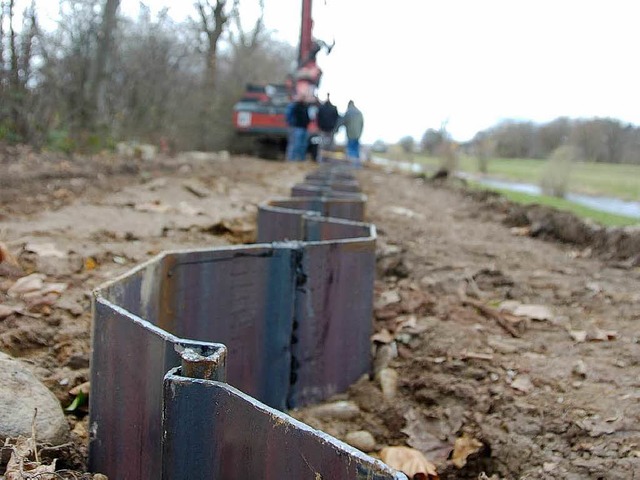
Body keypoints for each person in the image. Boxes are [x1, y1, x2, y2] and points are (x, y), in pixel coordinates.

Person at [339, 100, 364, 165]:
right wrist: (360, 133)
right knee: (356, 150)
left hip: (350, 134)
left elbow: (342, 122)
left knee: (351, 150)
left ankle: (352, 165)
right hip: (358, 134)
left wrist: (335, 130)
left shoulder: (348, 112)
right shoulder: (359, 113)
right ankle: (357, 165)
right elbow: (362, 124)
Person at [286, 96, 310, 161]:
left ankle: (300, 159)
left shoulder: (305, 107)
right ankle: (291, 159)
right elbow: (289, 116)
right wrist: (292, 123)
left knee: (303, 145)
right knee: (295, 144)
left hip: (304, 127)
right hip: (296, 127)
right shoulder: (294, 106)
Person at [316, 93, 340, 161]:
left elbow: (318, 118)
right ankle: (326, 159)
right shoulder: (332, 108)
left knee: (325, 145)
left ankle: (325, 159)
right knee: (326, 145)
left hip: (327, 129)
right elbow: (337, 119)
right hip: (327, 129)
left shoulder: (323, 108)